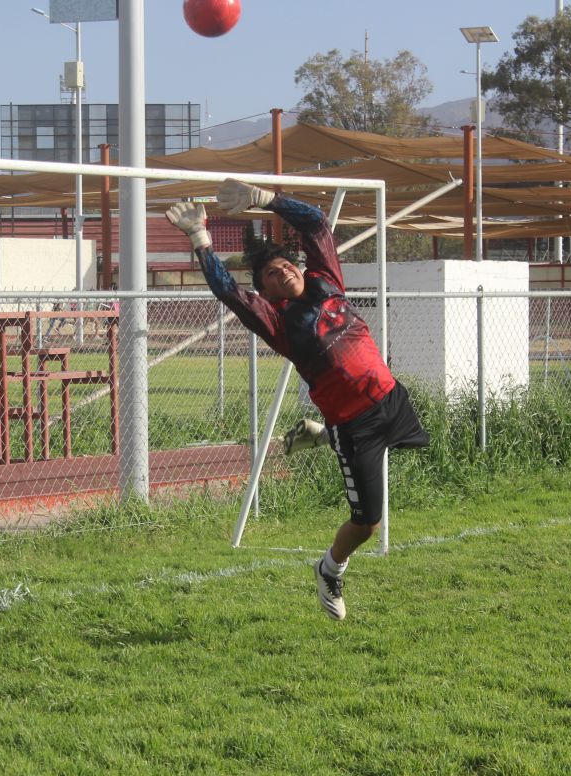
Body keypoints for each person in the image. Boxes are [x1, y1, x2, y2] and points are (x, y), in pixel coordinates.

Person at [167, 180, 429, 621]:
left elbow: (317, 223)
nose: (284, 271)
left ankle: (322, 436)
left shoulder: (326, 280)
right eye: (272, 274)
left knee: (419, 446)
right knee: (368, 524)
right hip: (356, 425)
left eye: (287, 265)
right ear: (266, 294)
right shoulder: (277, 322)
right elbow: (228, 291)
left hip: (391, 398)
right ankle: (330, 568)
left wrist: (264, 199)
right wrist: (201, 239)